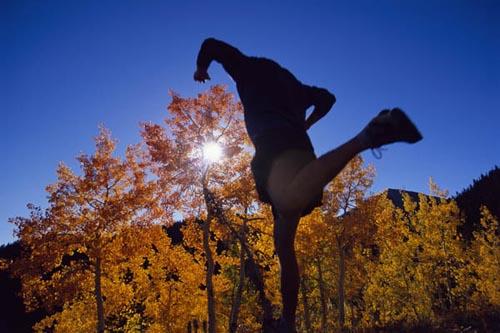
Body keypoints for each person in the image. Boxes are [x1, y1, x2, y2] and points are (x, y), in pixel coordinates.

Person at [194, 38, 422, 332]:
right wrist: (308, 123)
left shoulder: (248, 67)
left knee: (288, 204)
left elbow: (213, 44)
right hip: (302, 151)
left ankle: (369, 136)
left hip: (273, 147)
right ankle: (287, 322)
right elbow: (328, 98)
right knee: (283, 242)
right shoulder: (293, 84)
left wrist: (201, 68)